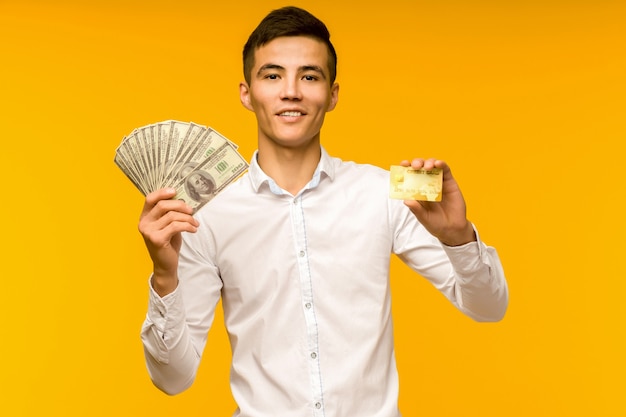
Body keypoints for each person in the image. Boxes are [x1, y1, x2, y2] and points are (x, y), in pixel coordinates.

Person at [138, 6, 508, 417]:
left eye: (309, 76)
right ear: (247, 92)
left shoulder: (385, 191)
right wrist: (165, 276)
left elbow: (490, 308)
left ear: (332, 94)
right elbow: (173, 380)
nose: (291, 91)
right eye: (273, 75)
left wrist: (458, 239)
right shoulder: (207, 214)